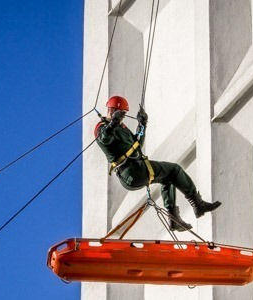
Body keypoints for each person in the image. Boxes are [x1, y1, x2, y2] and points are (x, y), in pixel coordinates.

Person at [94, 96, 221, 231]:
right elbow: (104, 139)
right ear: (112, 110)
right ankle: (198, 204)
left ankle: (174, 220)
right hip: (131, 172)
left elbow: (137, 144)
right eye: (122, 114)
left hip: (137, 169)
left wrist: (142, 124)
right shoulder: (101, 128)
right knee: (174, 170)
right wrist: (112, 124)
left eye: (124, 115)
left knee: (169, 179)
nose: (123, 117)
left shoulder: (121, 127)